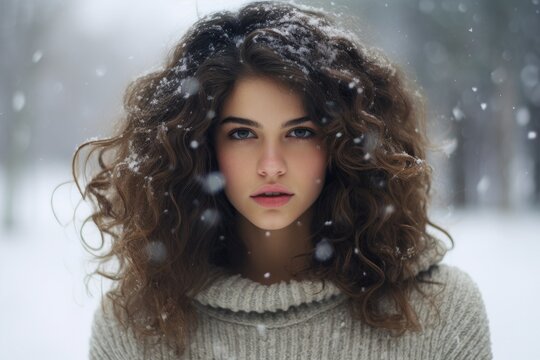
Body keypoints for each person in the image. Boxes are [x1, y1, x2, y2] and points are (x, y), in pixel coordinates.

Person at [75, 1, 492, 359]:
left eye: (299, 132)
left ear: (341, 145)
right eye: (242, 134)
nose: (271, 165)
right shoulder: (136, 327)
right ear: (201, 148)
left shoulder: (439, 311)